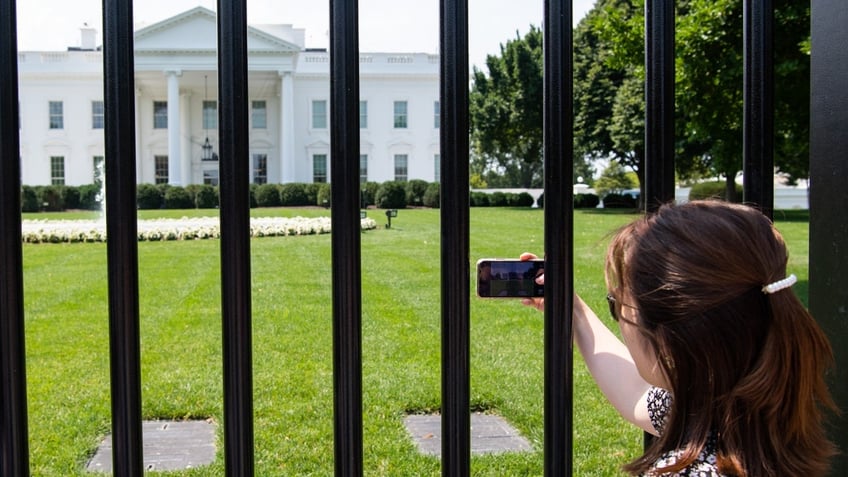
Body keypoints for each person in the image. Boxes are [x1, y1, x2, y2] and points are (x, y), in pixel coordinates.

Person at [521, 200, 838, 476]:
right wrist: (573, 309)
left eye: (617, 304)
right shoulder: (758, 422)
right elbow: (637, 395)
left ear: (669, 340)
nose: (618, 313)